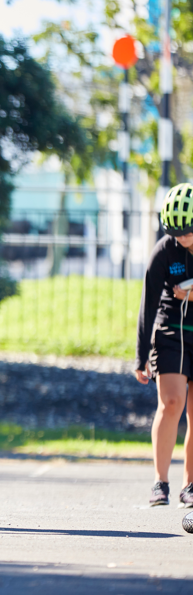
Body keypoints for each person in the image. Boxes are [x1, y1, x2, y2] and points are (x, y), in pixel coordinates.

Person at [134, 182, 193, 508]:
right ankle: (161, 482)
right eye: (176, 233)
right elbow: (148, 302)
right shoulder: (165, 250)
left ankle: (191, 483)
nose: (182, 239)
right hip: (171, 332)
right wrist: (140, 356)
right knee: (171, 403)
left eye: (188, 233)